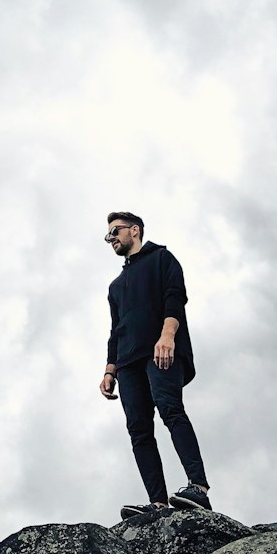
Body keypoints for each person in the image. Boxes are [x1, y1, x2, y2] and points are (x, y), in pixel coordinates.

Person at [99, 210, 212, 518]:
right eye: (107, 235)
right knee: (138, 429)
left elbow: (175, 298)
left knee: (170, 409)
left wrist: (167, 336)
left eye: (116, 231)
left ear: (134, 230)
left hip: (161, 350)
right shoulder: (115, 285)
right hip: (127, 362)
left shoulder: (162, 259)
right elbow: (115, 329)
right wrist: (110, 369)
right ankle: (158, 504)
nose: (111, 238)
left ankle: (198, 488)